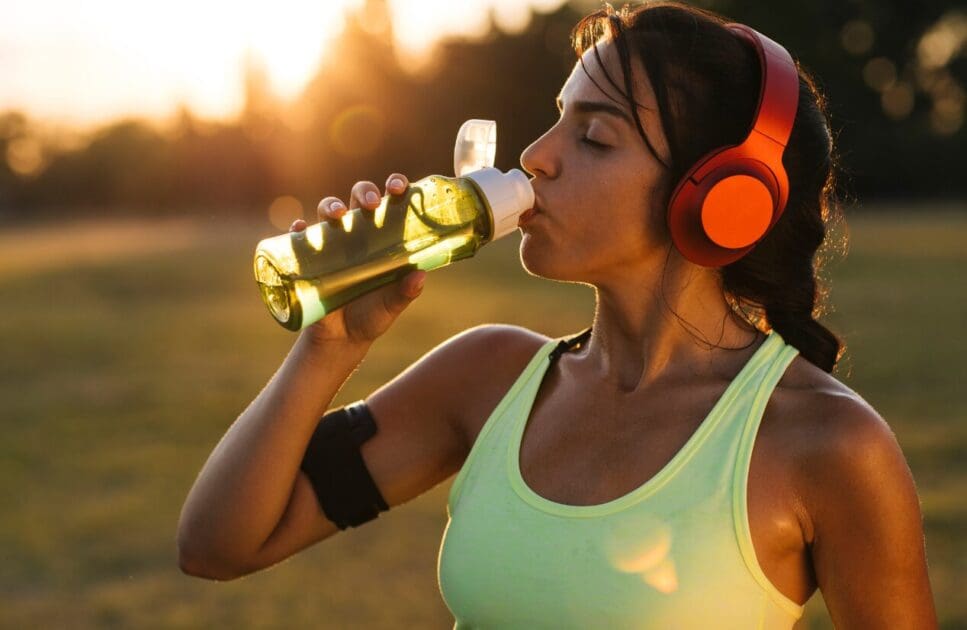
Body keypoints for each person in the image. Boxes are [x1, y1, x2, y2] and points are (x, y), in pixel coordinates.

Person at [177, 2, 937, 627]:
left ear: (720, 200)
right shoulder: (484, 378)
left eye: (594, 137)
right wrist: (328, 347)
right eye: (556, 119)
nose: (536, 156)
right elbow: (217, 546)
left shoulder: (827, 444)